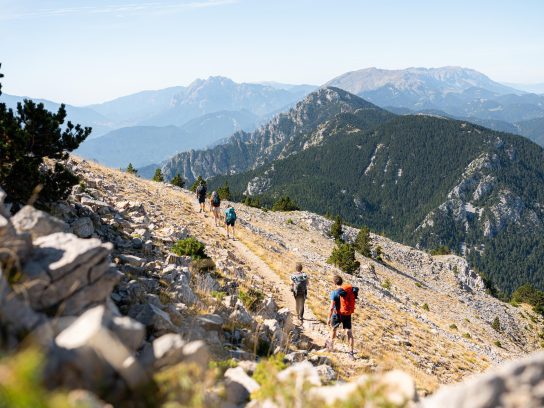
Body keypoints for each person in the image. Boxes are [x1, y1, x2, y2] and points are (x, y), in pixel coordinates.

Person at [326, 275, 359, 359]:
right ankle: (351, 352)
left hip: (337, 314)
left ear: (334, 283)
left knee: (334, 329)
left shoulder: (334, 292)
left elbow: (331, 307)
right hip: (347, 314)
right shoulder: (347, 290)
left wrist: (328, 318)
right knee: (349, 333)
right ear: (342, 282)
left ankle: (331, 346)